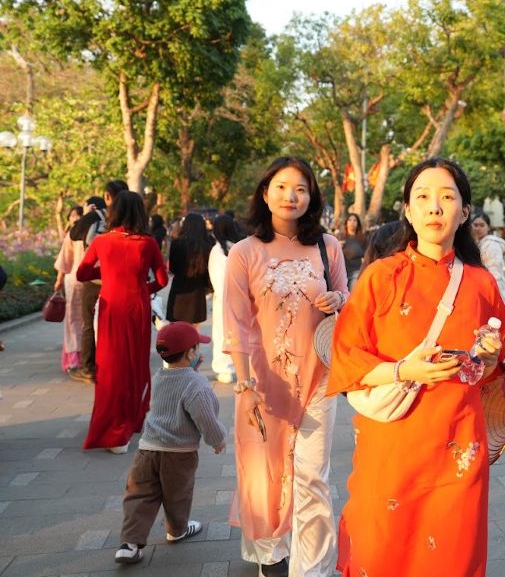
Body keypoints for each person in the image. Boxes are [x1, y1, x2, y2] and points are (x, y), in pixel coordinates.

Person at [327, 157, 505, 577]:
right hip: (391, 448)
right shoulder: (380, 276)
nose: (434, 207)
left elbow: (493, 366)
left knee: (452, 560)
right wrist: (405, 371)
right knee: (382, 551)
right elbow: (346, 359)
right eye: (422, 197)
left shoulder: (482, 283)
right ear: (407, 209)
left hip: (458, 446)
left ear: (464, 212)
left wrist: (489, 353)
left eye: (447, 197)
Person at [224, 157, 348, 577]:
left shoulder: (328, 247)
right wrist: (244, 382)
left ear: (311, 197)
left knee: (313, 476)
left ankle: (310, 568)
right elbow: (235, 322)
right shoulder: (244, 253)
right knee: (267, 472)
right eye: (281, 186)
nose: (290, 195)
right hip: (263, 382)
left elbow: (345, 298)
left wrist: (337, 302)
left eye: (300, 188)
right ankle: (270, 552)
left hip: (318, 378)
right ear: (265, 193)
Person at [114, 321, 226, 565]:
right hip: (179, 454)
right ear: (192, 353)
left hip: (147, 449)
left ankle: (129, 544)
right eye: (197, 347)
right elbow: (206, 417)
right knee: (178, 494)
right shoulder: (196, 384)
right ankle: (176, 530)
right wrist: (217, 440)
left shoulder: (160, 377)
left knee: (139, 495)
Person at [76, 191, 169, 452]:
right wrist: (141, 288)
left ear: (114, 210)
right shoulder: (148, 243)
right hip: (137, 307)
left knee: (110, 365)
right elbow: (162, 280)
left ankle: (115, 429)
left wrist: (106, 271)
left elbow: (83, 273)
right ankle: (133, 419)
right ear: (141, 212)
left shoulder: (102, 242)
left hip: (111, 307)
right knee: (135, 364)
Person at [69, 180, 128, 382]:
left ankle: (88, 367)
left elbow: (74, 234)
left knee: (88, 323)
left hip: (94, 279)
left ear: (107, 196)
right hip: (122, 280)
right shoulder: (131, 218)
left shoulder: (97, 216)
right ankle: (117, 366)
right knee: (118, 324)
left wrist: (86, 214)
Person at [207, 214, 245, 384]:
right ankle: (230, 367)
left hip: (225, 300)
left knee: (223, 333)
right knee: (233, 334)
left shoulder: (218, 251)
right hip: (238, 300)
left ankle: (224, 367)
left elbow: (218, 280)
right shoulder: (237, 248)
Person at [166, 214, 214, 327]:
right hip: (198, 292)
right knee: (194, 333)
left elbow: (172, 268)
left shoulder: (176, 243)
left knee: (177, 331)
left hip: (179, 291)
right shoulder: (207, 244)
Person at [54, 206, 86, 374]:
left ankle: (74, 359)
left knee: (73, 320)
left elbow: (64, 261)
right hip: (91, 281)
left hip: (73, 280)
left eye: (77, 214)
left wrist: (58, 280)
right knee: (87, 321)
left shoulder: (72, 234)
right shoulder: (94, 233)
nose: (74, 218)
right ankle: (87, 357)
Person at [471, 210, 505, 302]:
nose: (478, 228)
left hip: (491, 293)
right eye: (475, 225)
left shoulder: (492, 245)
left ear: (488, 228)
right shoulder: (477, 244)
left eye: (482, 225)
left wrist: (496, 298)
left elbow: (495, 274)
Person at [339, 213, 366, 290]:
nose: (352, 222)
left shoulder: (362, 238)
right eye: (350, 220)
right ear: (346, 223)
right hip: (342, 272)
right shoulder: (340, 237)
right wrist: (338, 246)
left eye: (354, 220)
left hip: (356, 272)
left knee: (352, 293)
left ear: (358, 224)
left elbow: (367, 254)